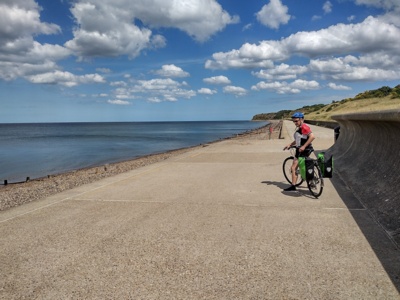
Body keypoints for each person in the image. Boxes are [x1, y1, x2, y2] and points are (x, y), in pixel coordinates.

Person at [283, 112, 315, 191]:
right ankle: (311, 180)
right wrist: (290, 144)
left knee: (293, 168)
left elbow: (312, 137)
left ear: (301, 119)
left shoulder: (304, 127)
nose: (295, 123)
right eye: (294, 121)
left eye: (296, 121)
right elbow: (299, 139)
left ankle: (294, 186)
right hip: (302, 149)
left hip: (302, 150)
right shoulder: (301, 127)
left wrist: (304, 146)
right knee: (303, 166)